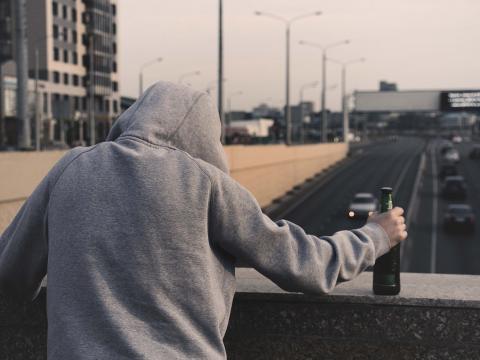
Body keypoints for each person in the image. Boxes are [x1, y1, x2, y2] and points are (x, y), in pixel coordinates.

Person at [0, 82, 407, 359]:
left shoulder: (71, 167)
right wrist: (374, 236)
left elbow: (12, 274)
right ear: (204, 138)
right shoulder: (204, 181)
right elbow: (305, 264)